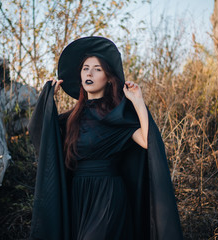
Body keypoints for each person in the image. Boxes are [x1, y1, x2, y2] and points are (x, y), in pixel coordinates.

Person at [28, 36, 183, 240]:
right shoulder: (69, 120)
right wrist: (47, 99)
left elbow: (147, 141)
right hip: (79, 197)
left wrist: (138, 102)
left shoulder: (116, 117)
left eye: (97, 69)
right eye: (85, 68)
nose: (89, 73)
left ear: (109, 78)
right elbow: (40, 136)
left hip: (108, 196)